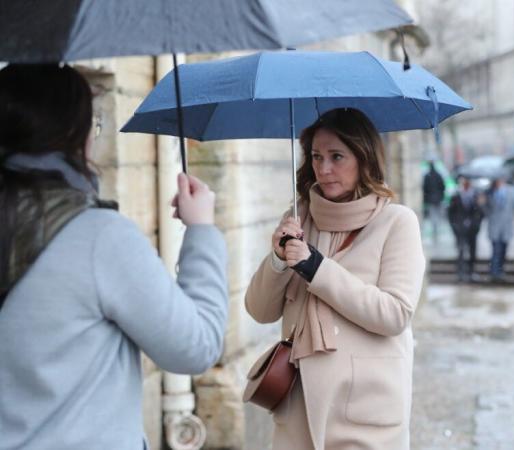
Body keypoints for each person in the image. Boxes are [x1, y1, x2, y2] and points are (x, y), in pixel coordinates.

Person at [0, 64, 229, 450]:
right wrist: (202, 231)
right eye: (95, 123)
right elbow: (196, 346)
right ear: (72, 134)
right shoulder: (97, 237)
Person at [245, 108, 425, 450]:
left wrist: (317, 269)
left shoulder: (396, 222)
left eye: (337, 156)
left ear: (364, 158)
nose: (324, 168)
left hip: (364, 416)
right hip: (297, 411)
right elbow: (259, 311)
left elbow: (395, 314)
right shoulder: (298, 218)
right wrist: (278, 261)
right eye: (316, 156)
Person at [485, 176, 514, 282]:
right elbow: (485, 209)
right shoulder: (489, 192)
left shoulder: (511, 191)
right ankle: (494, 272)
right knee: (496, 250)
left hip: (506, 226)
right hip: (494, 226)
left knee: (503, 250)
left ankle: (500, 270)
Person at [447, 175, 484, 282]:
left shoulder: (476, 196)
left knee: (472, 250)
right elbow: (450, 213)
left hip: (472, 229)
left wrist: (476, 224)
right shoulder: (456, 196)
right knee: (461, 250)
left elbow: (481, 213)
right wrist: (454, 226)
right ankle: (461, 272)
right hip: (460, 228)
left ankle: (471, 271)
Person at [422, 160, 445, 242]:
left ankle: (435, 229)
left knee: (433, 215)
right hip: (437, 199)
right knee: (436, 215)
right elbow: (442, 187)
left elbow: (424, 188)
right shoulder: (438, 175)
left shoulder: (427, 176)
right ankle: (436, 229)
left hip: (432, 199)